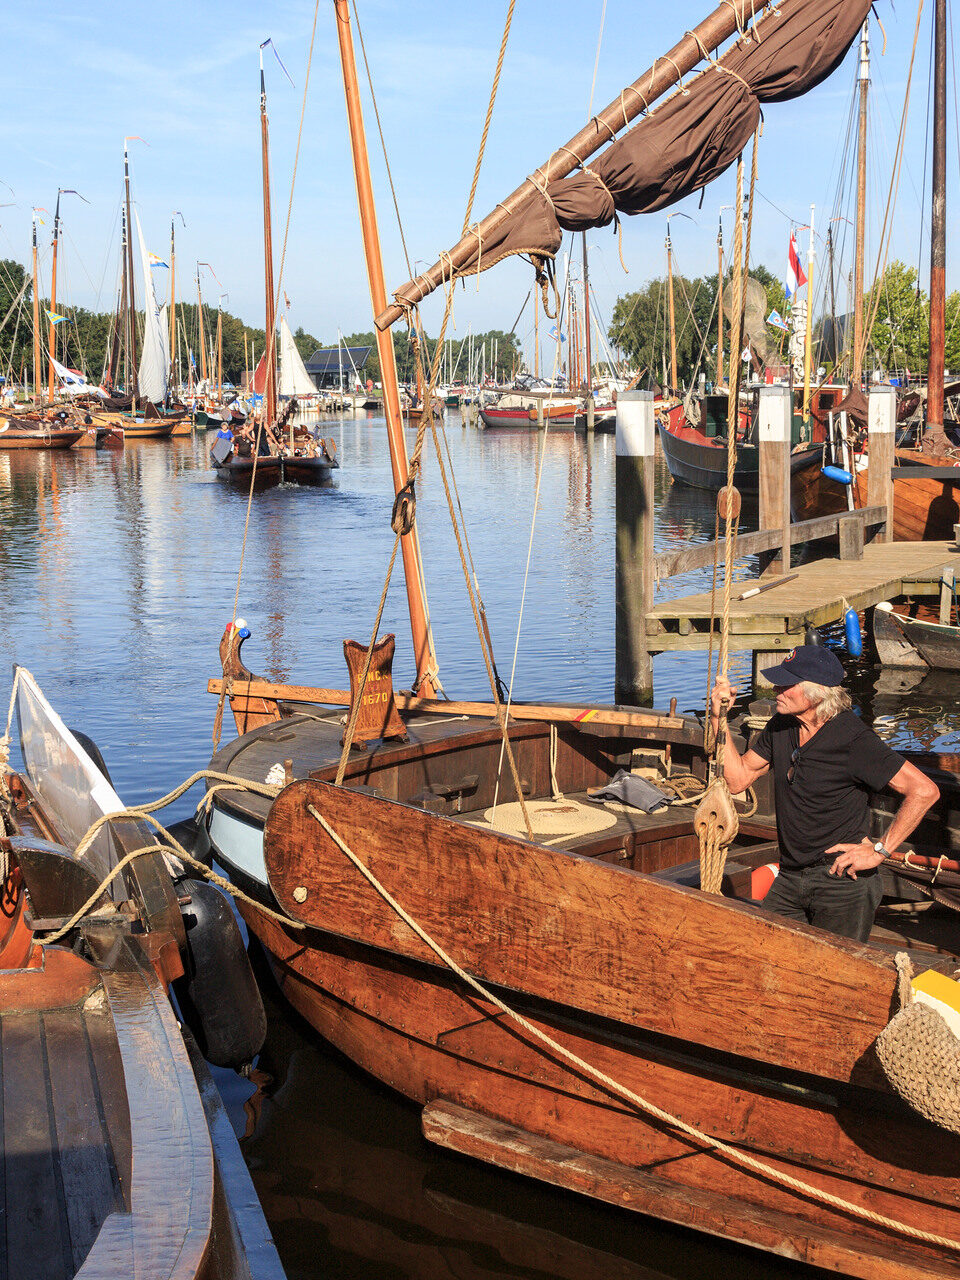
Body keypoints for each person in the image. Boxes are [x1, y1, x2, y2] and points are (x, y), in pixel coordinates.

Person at [709, 646, 939, 941]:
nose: (775, 688)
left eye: (786, 684)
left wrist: (880, 850)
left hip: (841, 882)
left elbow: (924, 790)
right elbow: (737, 779)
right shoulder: (781, 725)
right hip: (790, 875)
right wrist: (719, 718)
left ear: (816, 693)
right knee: (770, 954)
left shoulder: (853, 739)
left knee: (839, 974)